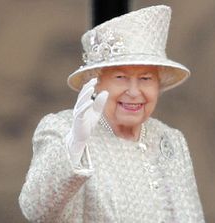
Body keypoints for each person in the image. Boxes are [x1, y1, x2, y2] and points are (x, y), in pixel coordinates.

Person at [19, 5, 205, 223]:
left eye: (145, 79)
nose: (134, 92)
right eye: (120, 77)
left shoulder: (171, 139)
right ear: (95, 82)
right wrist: (74, 146)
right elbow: (36, 209)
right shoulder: (61, 129)